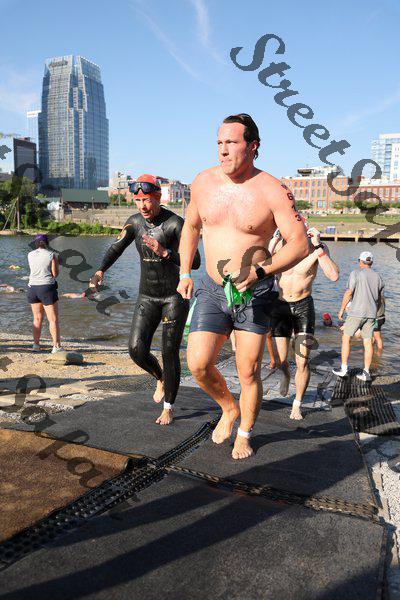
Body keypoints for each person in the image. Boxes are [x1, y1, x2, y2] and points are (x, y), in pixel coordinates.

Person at [177, 113, 309, 459]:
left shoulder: (273, 190)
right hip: (212, 288)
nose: (223, 150)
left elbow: (300, 244)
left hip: (255, 292)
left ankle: (245, 433)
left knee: (248, 370)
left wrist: (261, 272)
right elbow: (191, 228)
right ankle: (228, 407)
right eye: (219, 143)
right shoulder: (202, 182)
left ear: (253, 146)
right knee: (198, 365)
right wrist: (184, 273)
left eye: (231, 143)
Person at [90, 174, 201, 425]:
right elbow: (116, 247)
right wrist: (100, 271)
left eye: (147, 200)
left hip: (174, 297)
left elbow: (195, 262)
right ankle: (160, 377)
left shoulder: (175, 224)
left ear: (158, 198)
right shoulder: (134, 223)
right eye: (138, 200)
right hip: (147, 296)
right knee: (136, 350)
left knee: (169, 351)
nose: (142, 206)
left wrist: (165, 252)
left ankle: (169, 407)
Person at [270, 227, 339, 419]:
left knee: (302, 361)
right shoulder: (279, 246)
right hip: (281, 306)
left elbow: (334, 275)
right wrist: (273, 242)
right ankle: (285, 374)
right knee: (281, 359)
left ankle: (297, 404)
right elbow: (261, 267)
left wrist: (318, 245)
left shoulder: (316, 249)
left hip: (303, 307)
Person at [333, 251, 384, 382]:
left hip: (356, 312)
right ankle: (366, 372)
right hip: (371, 314)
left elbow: (349, 292)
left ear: (360, 261)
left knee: (346, 338)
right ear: (371, 262)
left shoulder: (355, 273)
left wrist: (341, 309)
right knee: (368, 342)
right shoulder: (378, 277)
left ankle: (344, 369)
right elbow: (379, 299)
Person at [27, 234, 63, 353]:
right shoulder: (51, 255)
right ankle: (56, 347)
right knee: (53, 319)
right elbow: (55, 274)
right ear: (46, 243)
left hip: (32, 288)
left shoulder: (29, 254)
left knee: (37, 318)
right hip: (46, 288)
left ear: (36, 243)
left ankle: (36, 345)